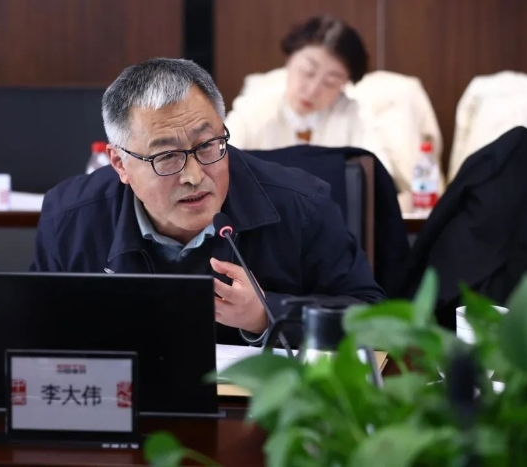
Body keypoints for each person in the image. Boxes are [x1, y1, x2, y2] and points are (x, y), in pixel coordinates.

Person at [30, 57, 385, 346]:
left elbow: (374, 320)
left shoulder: (302, 205)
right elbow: (37, 327)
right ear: (120, 163)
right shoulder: (70, 217)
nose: (194, 175)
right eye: (167, 156)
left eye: (207, 146)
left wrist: (268, 314)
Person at [224, 15, 392, 175]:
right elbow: (220, 159)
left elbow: (378, 175)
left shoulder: (353, 114)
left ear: (344, 84)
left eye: (330, 82)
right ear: (290, 59)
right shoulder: (256, 104)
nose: (312, 90)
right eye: (308, 72)